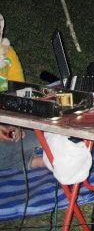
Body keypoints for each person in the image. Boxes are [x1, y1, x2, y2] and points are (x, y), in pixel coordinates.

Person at [0, 14, 44, 170]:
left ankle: (37, 153)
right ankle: (34, 160)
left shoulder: (7, 54)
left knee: (44, 131)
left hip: (4, 118)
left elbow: (19, 93)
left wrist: (16, 124)